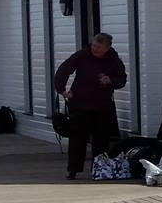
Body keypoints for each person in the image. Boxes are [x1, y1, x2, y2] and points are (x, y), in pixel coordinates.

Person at [54, 33, 129, 179]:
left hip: (103, 105)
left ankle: (98, 169)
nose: (94, 49)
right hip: (80, 104)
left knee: (101, 140)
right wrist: (62, 90)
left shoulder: (113, 61)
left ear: (107, 48)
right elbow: (64, 70)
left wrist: (110, 81)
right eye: (94, 45)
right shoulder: (82, 55)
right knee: (77, 138)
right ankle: (73, 169)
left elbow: (122, 80)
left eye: (98, 47)